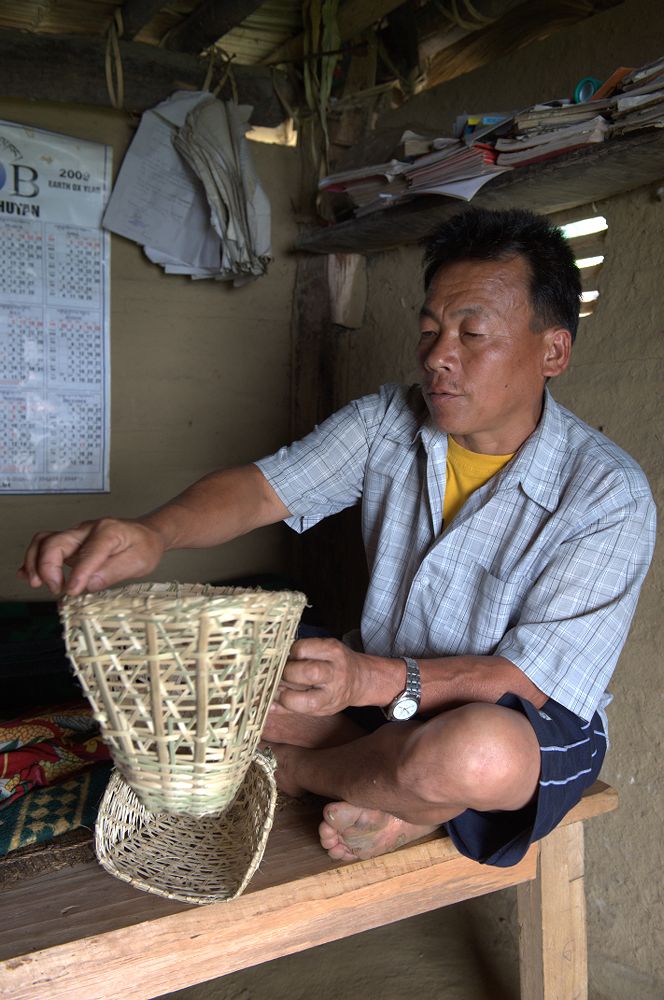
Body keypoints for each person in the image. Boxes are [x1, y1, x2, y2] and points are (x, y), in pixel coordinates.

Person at [19, 208, 655, 868]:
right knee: (199, 682)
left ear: (552, 351)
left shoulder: (606, 494)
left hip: (519, 722)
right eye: (431, 330)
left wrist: (363, 682)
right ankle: (408, 796)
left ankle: (327, 777)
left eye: (472, 334)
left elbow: (522, 679)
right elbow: (265, 489)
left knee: (471, 754)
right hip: (380, 704)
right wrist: (152, 533)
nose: (439, 357)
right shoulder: (390, 421)